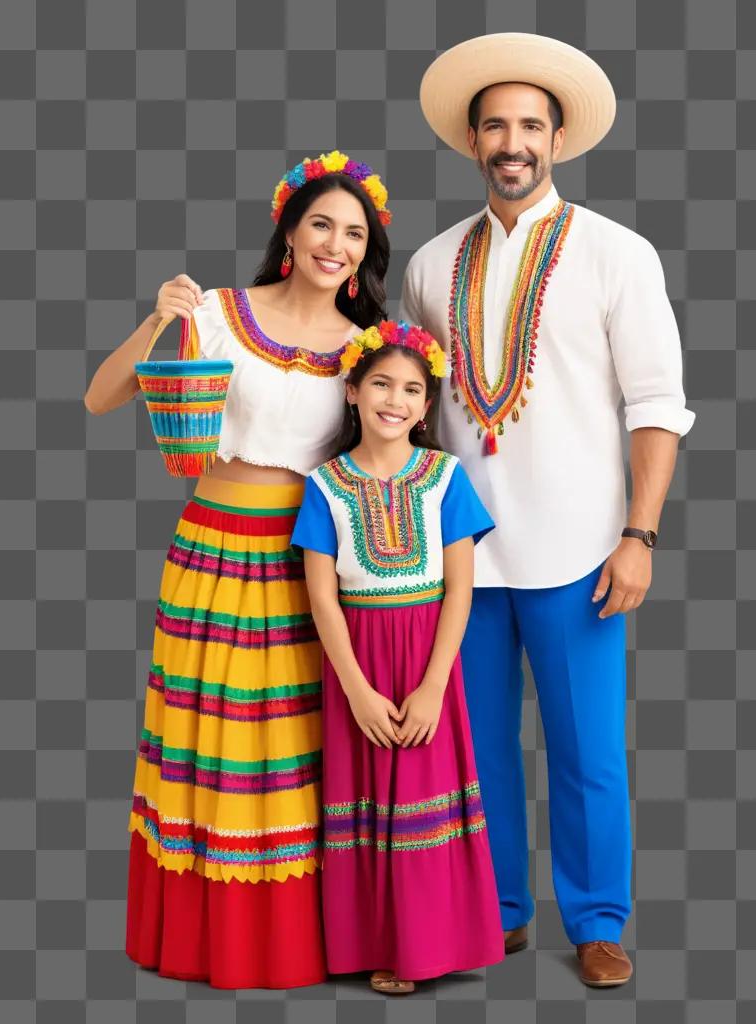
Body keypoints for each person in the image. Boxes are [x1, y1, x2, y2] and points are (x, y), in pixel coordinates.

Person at [400, 34, 697, 987]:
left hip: (581, 550)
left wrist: (640, 536)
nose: (513, 141)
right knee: (475, 753)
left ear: (558, 139)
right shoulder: (431, 263)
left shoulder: (619, 253)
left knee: (587, 753)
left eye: (531, 124)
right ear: (473, 141)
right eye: (496, 124)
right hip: (460, 559)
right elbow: (409, 406)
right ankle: (500, 913)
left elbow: (656, 406)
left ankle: (599, 921)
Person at [83, 151, 393, 989]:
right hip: (213, 551)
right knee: (208, 737)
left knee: (296, 745)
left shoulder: (370, 348)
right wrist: (156, 321)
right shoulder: (218, 312)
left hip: (311, 561)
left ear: (367, 253)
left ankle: (303, 940)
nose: (337, 244)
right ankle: (200, 937)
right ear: (289, 230)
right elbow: (101, 397)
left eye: (355, 234)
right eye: (323, 223)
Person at [291, 321, 504, 995]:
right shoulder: (325, 485)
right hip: (358, 662)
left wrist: (435, 685)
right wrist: (354, 688)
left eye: (413, 389)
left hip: (426, 664)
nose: (397, 399)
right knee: (365, 804)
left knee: (424, 800)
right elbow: (322, 598)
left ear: (426, 403)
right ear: (352, 393)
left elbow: (461, 587)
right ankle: (379, 945)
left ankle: (432, 945)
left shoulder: (444, 477)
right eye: (381, 383)